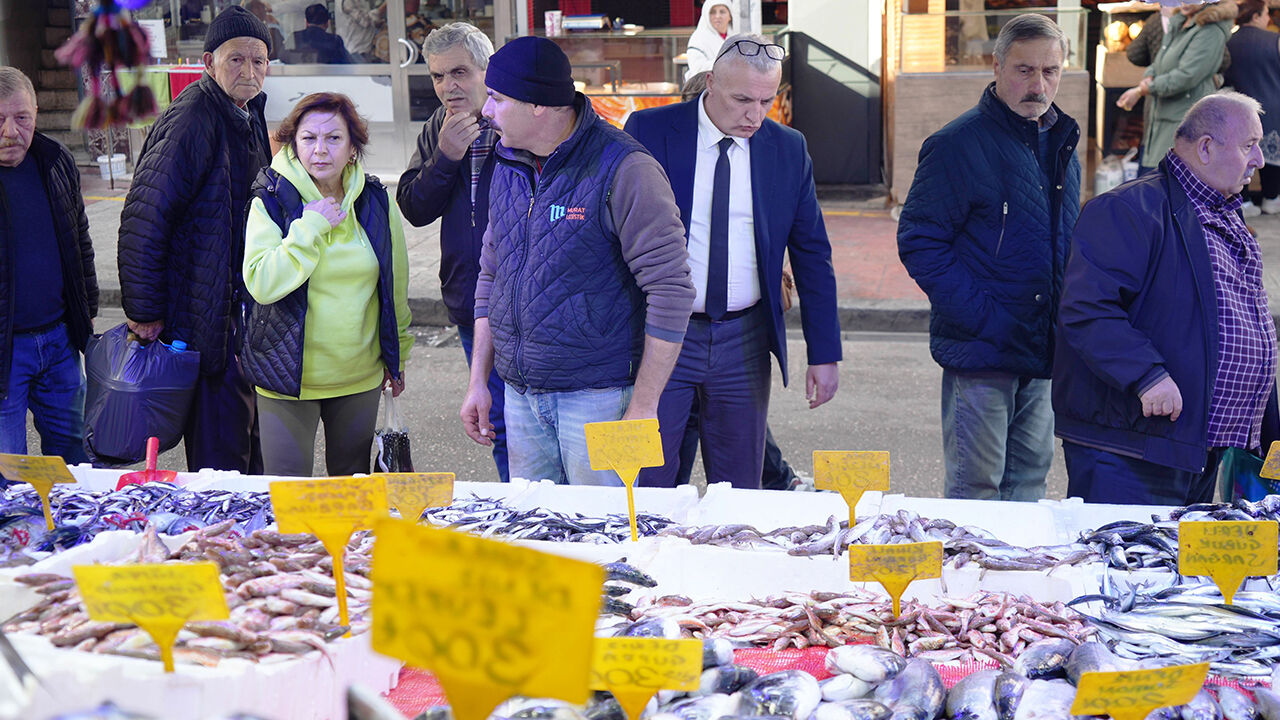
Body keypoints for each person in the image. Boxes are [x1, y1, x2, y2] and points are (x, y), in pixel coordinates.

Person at [460, 36, 694, 486]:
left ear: (538, 106)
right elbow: (492, 274)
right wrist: (478, 382)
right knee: (536, 535)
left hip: (601, 401)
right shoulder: (506, 160)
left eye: (496, 98)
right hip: (521, 396)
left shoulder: (625, 168)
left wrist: (644, 406)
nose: (485, 111)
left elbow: (671, 290)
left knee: (604, 538)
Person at [625, 34, 841, 489]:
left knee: (743, 491)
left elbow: (812, 254)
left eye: (767, 100)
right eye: (742, 99)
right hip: (662, 336)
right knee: (649, 486)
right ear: (709, 83)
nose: (754, 115)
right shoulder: (648, 131)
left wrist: (824, 353)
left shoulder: (787, 148)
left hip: (743, 340)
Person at [1055, 90, 1276, 506]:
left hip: (1196, 449)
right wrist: (1147, 375)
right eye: (1250, 145)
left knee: (1172, 568)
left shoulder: (1222, 210)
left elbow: (1245, 323)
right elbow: (1087, 309)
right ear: (1206, 147)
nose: (1259, 160)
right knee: (1122, 568)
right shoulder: (1128, 209)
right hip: (1131, 451)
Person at [897, 14, 1081, 501]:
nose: (1039, 85)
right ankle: (969, 578)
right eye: (1024, 70)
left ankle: (1018, 576)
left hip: (1041, 351)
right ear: (996, 66)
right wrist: (984, 318)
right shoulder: (956, 145)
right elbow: (919, 240)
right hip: (982, 352)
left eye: (1050, 71)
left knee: (1029, 484)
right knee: (975, 488)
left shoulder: (1062, 142)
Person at [117, 6, 271, 473]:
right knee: (220, 453)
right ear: (208, 63)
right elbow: (145, 217)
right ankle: (225, 538)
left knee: (249, 443)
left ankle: (255, 538)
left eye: (258, 61)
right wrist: (144, 312)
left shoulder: (248, 112)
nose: (249, 70)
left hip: (238, 312)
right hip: (200, 315)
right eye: (236, 60)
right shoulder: (193, 118)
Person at [242, 93, 412, 476]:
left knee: (351, 497)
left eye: (334, 138)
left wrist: (397, 355)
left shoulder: (375, 202)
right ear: (293, 145)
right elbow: (263, 283)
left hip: (359, 377)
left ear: (353, 147)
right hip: (286, 379)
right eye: (308, 139)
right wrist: (311, 227)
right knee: (290, 499)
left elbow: (393, 287)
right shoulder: (270, 202)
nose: (320, 150)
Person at [397, 23, 509, 481]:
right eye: (438, 76)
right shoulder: (436, 128)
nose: (448, 86)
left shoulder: (518, 119)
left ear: (487, 69)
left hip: (530, 307)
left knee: (543, 433)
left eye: (459, 72)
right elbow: (415, 209)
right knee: (498, 428)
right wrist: (445, 156)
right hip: (469, 302)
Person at [0, 67, 97, 463]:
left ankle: (69, 528)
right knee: (9, 471)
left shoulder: (56, 161)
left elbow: (80, 244)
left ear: (36, 113)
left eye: (21, 118)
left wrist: (85, 315)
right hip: (5, 351)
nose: (10, 131)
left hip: (59, 342)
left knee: (73, 459)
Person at [1118, 1, 1236, 174]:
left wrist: (1146, 88)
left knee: (1170, 183)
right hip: (1162, 119)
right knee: (1154, 183)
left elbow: (1186, 76)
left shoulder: (1211, 30)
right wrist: (1149, 77)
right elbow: (1160, 62)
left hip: (1184, 120)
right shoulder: (1180, 21)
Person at [1223, 0, 1280, 214]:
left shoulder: (1228, 40)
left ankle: (1244, 201)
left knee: (1241, 153)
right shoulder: (1276, 40)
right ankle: (1271, 198)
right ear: (1255, 16)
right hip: (1273, 107)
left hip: (1238, 110)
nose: (1269, 19)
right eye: (1266, 14)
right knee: (1272, 153)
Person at [685, 0, 735, 82]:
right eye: (713, 12)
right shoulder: (698, 38)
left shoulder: (736, 36)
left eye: (722, 12)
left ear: (730, 16)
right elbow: (697, 69)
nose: (717, 16)